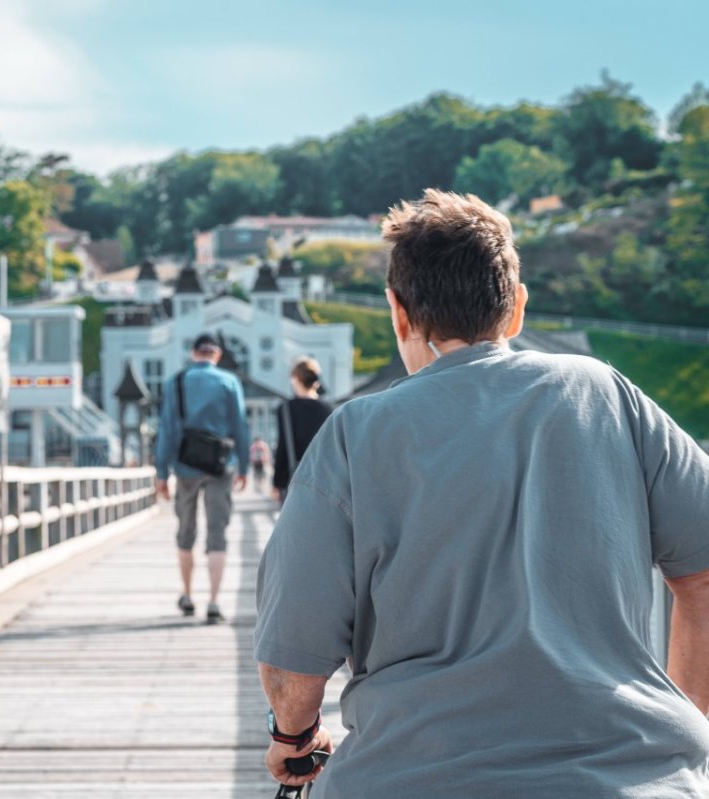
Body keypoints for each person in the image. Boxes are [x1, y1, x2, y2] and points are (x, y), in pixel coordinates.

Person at [255, 189, 709, 796]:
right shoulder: (607, 395)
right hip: (629, 779)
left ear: (399, 313)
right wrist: (680, 724)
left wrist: (293, 738)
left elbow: (293, 658)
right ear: (516, 309)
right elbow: (704, 574)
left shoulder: (356, 434)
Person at [155, 333, 249, 624]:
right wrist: (244, 465)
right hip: (221, 467)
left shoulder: (176, 382)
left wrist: (161, 472)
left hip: (185, 466)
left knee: (186, 530)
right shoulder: (229, 382)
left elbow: (167, 430)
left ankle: (186, 595)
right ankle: (214, 601)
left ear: (194, 353)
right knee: (217, 533)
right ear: (217, 355)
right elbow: (240, 427)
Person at [271, 357, 333, 504]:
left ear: (295, 379)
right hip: (324, 478)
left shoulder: (286, 409)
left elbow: (283, 447)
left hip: (295, 477)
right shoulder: (328, 408)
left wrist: (277, 482)